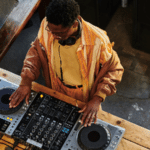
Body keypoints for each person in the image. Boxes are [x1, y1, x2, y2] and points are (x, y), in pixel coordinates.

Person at [9, 0, 124, 127]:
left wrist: (97, 99)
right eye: (51, 31)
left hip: (83, 95)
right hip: (54, 86)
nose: (54, 36)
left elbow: (114, 69)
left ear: (75, 24)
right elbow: (37, 50)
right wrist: (26, 81)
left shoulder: (98, 39)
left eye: (60, 33)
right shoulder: (46, 24)